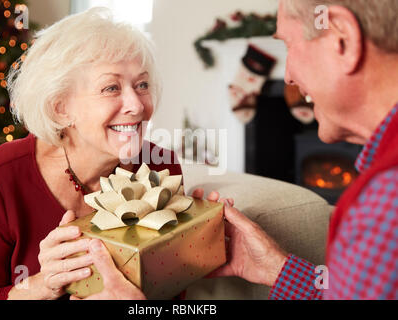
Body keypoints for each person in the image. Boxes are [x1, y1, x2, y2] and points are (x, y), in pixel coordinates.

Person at [59, 0, 398, 300]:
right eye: (110, 87)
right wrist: (278, 270)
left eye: (289, 45)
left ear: (343, 39)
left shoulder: (383, 204)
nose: (289, 75)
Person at [0, 8, 180, 300]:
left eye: (142, 84)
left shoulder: (161, 166)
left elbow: (172, 285)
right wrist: (43, 285)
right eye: (111, 87)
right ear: (61, 108)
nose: (136, 105)